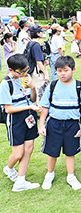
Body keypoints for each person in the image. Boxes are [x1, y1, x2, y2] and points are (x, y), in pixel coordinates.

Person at [38, 56, 81, 190]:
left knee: (70, 152)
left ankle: (71, 175)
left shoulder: (79, 86)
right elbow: (45, 107)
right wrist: (41, 125)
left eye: (66, 70)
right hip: (54, 124)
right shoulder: (52, 86)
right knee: (52, 152)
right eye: (59, 70)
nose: (62, 74)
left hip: (72, 125)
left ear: (73, 70)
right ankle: (49, 174)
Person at [1, 54, 41, 192]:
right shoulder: (5, 84)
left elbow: (33, 99)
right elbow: (8, 109)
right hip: (15, 119)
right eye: (21, 72)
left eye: (26, 70)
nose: (25, 74)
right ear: (11, 70)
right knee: (18, 153)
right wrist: (29, 107)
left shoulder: (26, 78)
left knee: (29, 149)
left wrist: (33, 87)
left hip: (29, 116)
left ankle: (20, 181)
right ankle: (9, 168)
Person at [27, 25, 49, 103]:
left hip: (32, 69)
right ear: (38, 33)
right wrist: (46, 74)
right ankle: (38, 107)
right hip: (37, 71)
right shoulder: (36, 45)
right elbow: (38, 62)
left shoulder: (30, 43)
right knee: (38, 89)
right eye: (41, 32)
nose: (42, 33)